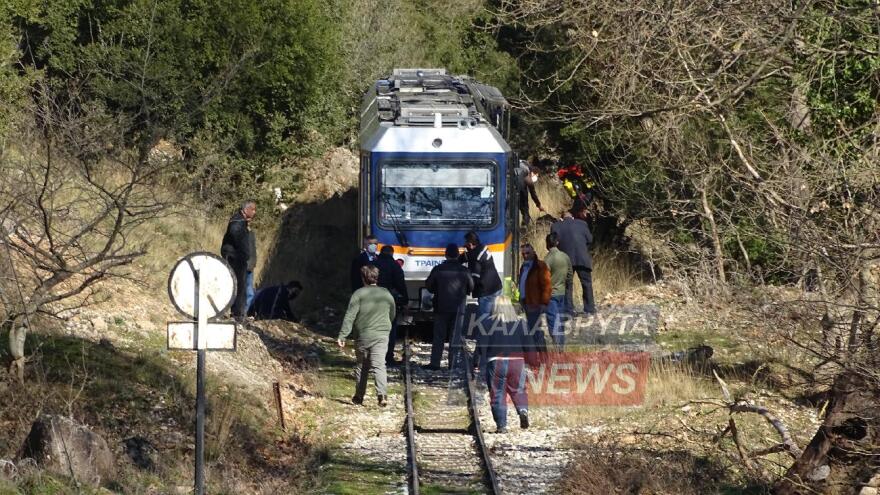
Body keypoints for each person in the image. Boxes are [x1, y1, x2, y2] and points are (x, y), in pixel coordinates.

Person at [337, 265, 396, 407]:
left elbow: (350, 316)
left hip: (363, 335)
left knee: (362, 366)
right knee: (379, 365)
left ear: (363, 277)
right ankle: (382, 395)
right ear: (377, 277)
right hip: (382, 335)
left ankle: (359, 396)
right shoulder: (386, 293)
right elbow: (392, 313)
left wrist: (343, 335)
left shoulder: (359, 294)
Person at [477, 297, 537, 433]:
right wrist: (533, 362)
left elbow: (481, 346)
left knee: (497, 393)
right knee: (519, 389)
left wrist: (477, 363)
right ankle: (522, 410)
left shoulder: (486, 323)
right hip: (517, 362)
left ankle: (502, 426)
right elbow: (529, 345)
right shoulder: (521, 323)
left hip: (496, 361)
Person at [425, 243, 473, 369]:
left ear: (445, 255)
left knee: (439, 337)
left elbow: (429, 286)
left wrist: (437, 290)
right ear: (458, 255)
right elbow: (471, 286)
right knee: (455, 338)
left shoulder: (438, 269)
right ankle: (453, 364)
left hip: (441, 307)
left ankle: (435, 363)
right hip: (459, 308)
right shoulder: (464, 270)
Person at [550, 209, 596, 314]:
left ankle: (568, 309)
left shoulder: (556, 226)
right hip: (582, 257)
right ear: (573, 218)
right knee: (586, 283)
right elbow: (590, 240)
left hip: (565, 259)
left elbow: (553, 242)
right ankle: (589, 309)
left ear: (561, 218)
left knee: (567, 285)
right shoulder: (582, 224)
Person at [221, 200, 256, 321]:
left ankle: (238, 313)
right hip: (234, 257)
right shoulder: (237, 221)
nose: (254, 212)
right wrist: (243, 252)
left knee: (240, 285)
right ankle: (237, 314)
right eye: (253, 209)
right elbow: (235, 234)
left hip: (238, 257)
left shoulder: (241, 221)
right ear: (246, 210)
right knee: (237, 285)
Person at [375, 245, 408, 365]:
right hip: (390, 301)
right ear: (392, 254)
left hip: (374, 300)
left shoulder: (374, 264)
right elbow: (401, 284)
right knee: (391, 328)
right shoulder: (395, 266)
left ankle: (376, 355)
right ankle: (388, 356)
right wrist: (405, 301)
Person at [518, 243, 551, 351]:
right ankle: (536, 356)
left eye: (527, 253)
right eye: (523, 254)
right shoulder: (523, 266)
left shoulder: (540, 266)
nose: (525, 255)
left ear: (533, 252)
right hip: (526, 302)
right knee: (532, 329)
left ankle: (543, 358)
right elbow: (522, 283)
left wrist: (544, 303)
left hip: (536, 303)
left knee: (536, 331)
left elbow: (546, 285)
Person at [544, 233, 572, 348]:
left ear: (547, 244)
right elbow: (570, 274)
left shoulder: (547, 259)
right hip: (562, 293)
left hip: (551, 295)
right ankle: (561, 346)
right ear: (557, 242)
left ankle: (556, 345)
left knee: (552, 320)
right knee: (560, 320)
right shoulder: (565, 256)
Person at [517, 159, 545, 226]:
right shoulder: (527, 172)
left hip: (509, 190)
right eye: (536, 175)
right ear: (533, 173)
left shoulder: (522, 164)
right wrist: (539, 205)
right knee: (525, 212)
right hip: (520, 192)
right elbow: (533, 193)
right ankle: (525, 227)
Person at [245, 225, 257, 310]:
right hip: (242, 266)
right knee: (241, 292)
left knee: (249, 293)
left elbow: (253, 251)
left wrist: (253, 263)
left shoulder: (251, 233)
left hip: (250, 267)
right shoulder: (238, 232)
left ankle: (245, 313)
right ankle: (238, 313)